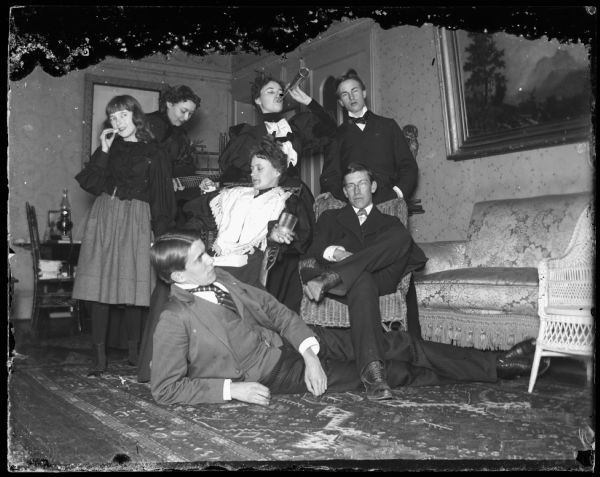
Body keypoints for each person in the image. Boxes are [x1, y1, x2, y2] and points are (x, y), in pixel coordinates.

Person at [148, 230, 549, 406]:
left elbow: (276, 312)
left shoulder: (225, 279)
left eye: (206, 250)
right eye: (201, 257)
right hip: (272, 373)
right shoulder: (173, 319)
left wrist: (308, 351)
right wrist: (231, 392)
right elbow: (164, 389)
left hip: (297, 344)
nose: (211, 259)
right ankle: (481, 370)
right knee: (385, 372)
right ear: (178, 276)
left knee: (398, 344)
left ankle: (499, 364)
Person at [137, 136, 313, 383]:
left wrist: (276, 233)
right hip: (213, 259)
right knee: (168, 282)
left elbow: (294, 233)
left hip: (248, 264)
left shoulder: (285, 199)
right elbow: (199, 219)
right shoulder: (233, 195)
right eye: (251, 168)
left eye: (259, 168)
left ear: (278, 171)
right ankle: (159, 365)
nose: (253, 173)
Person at [301, 162, 428, 398]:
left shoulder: (390, 223)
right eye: (351, 186)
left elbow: (401, 251)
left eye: (362, 184)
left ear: (373, 186)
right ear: (345, 192)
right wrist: (336, 252)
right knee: (362, 279)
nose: (357, 190)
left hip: (381, 280)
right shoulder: (330, 217)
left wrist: (342, 269)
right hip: (348, 289)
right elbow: (315, 249)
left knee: (400, 237)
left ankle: (335, 276)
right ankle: (374, 375)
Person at [73, 94, 176, 376]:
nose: (118, 121)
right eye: (113, 117)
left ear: (135, 116)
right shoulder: (109, 148)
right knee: (99, 288)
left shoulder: (155, 152)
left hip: (138, 219)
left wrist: (160, 233)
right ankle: (99, 358)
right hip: (105, 216)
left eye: (123, 115)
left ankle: (134, 353)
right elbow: (91, 183)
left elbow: (162, 197)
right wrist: (103, 150)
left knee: (135, 287)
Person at [137, 85, 200, 381]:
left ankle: (157, 355)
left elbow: (186, 180)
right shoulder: (147, 125)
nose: (186, 117)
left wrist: (193, 185)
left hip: (169, 214)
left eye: (190, 113)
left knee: (164, 278)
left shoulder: (182, 137)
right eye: (182, 110)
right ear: (168, 104)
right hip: (142, 208)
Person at [218, 71, 337, 192]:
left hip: (295, 198)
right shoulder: (248, 135)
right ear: (258, 100)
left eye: (280, 92)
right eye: (270, 91)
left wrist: (308, 101)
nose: (278, 95)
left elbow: (331, 129)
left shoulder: (295, 129)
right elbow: (232, 177)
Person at [319, 69, 418, 206]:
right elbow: (329, 177)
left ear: (364, 93)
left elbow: (408, 166)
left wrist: (397, 194)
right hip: (353, 209)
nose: (352, 97)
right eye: (345, 94)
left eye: (355, 91)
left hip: (389, 204)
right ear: (341, 102)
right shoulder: (337, 136)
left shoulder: (388, 126)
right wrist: (345, 201)